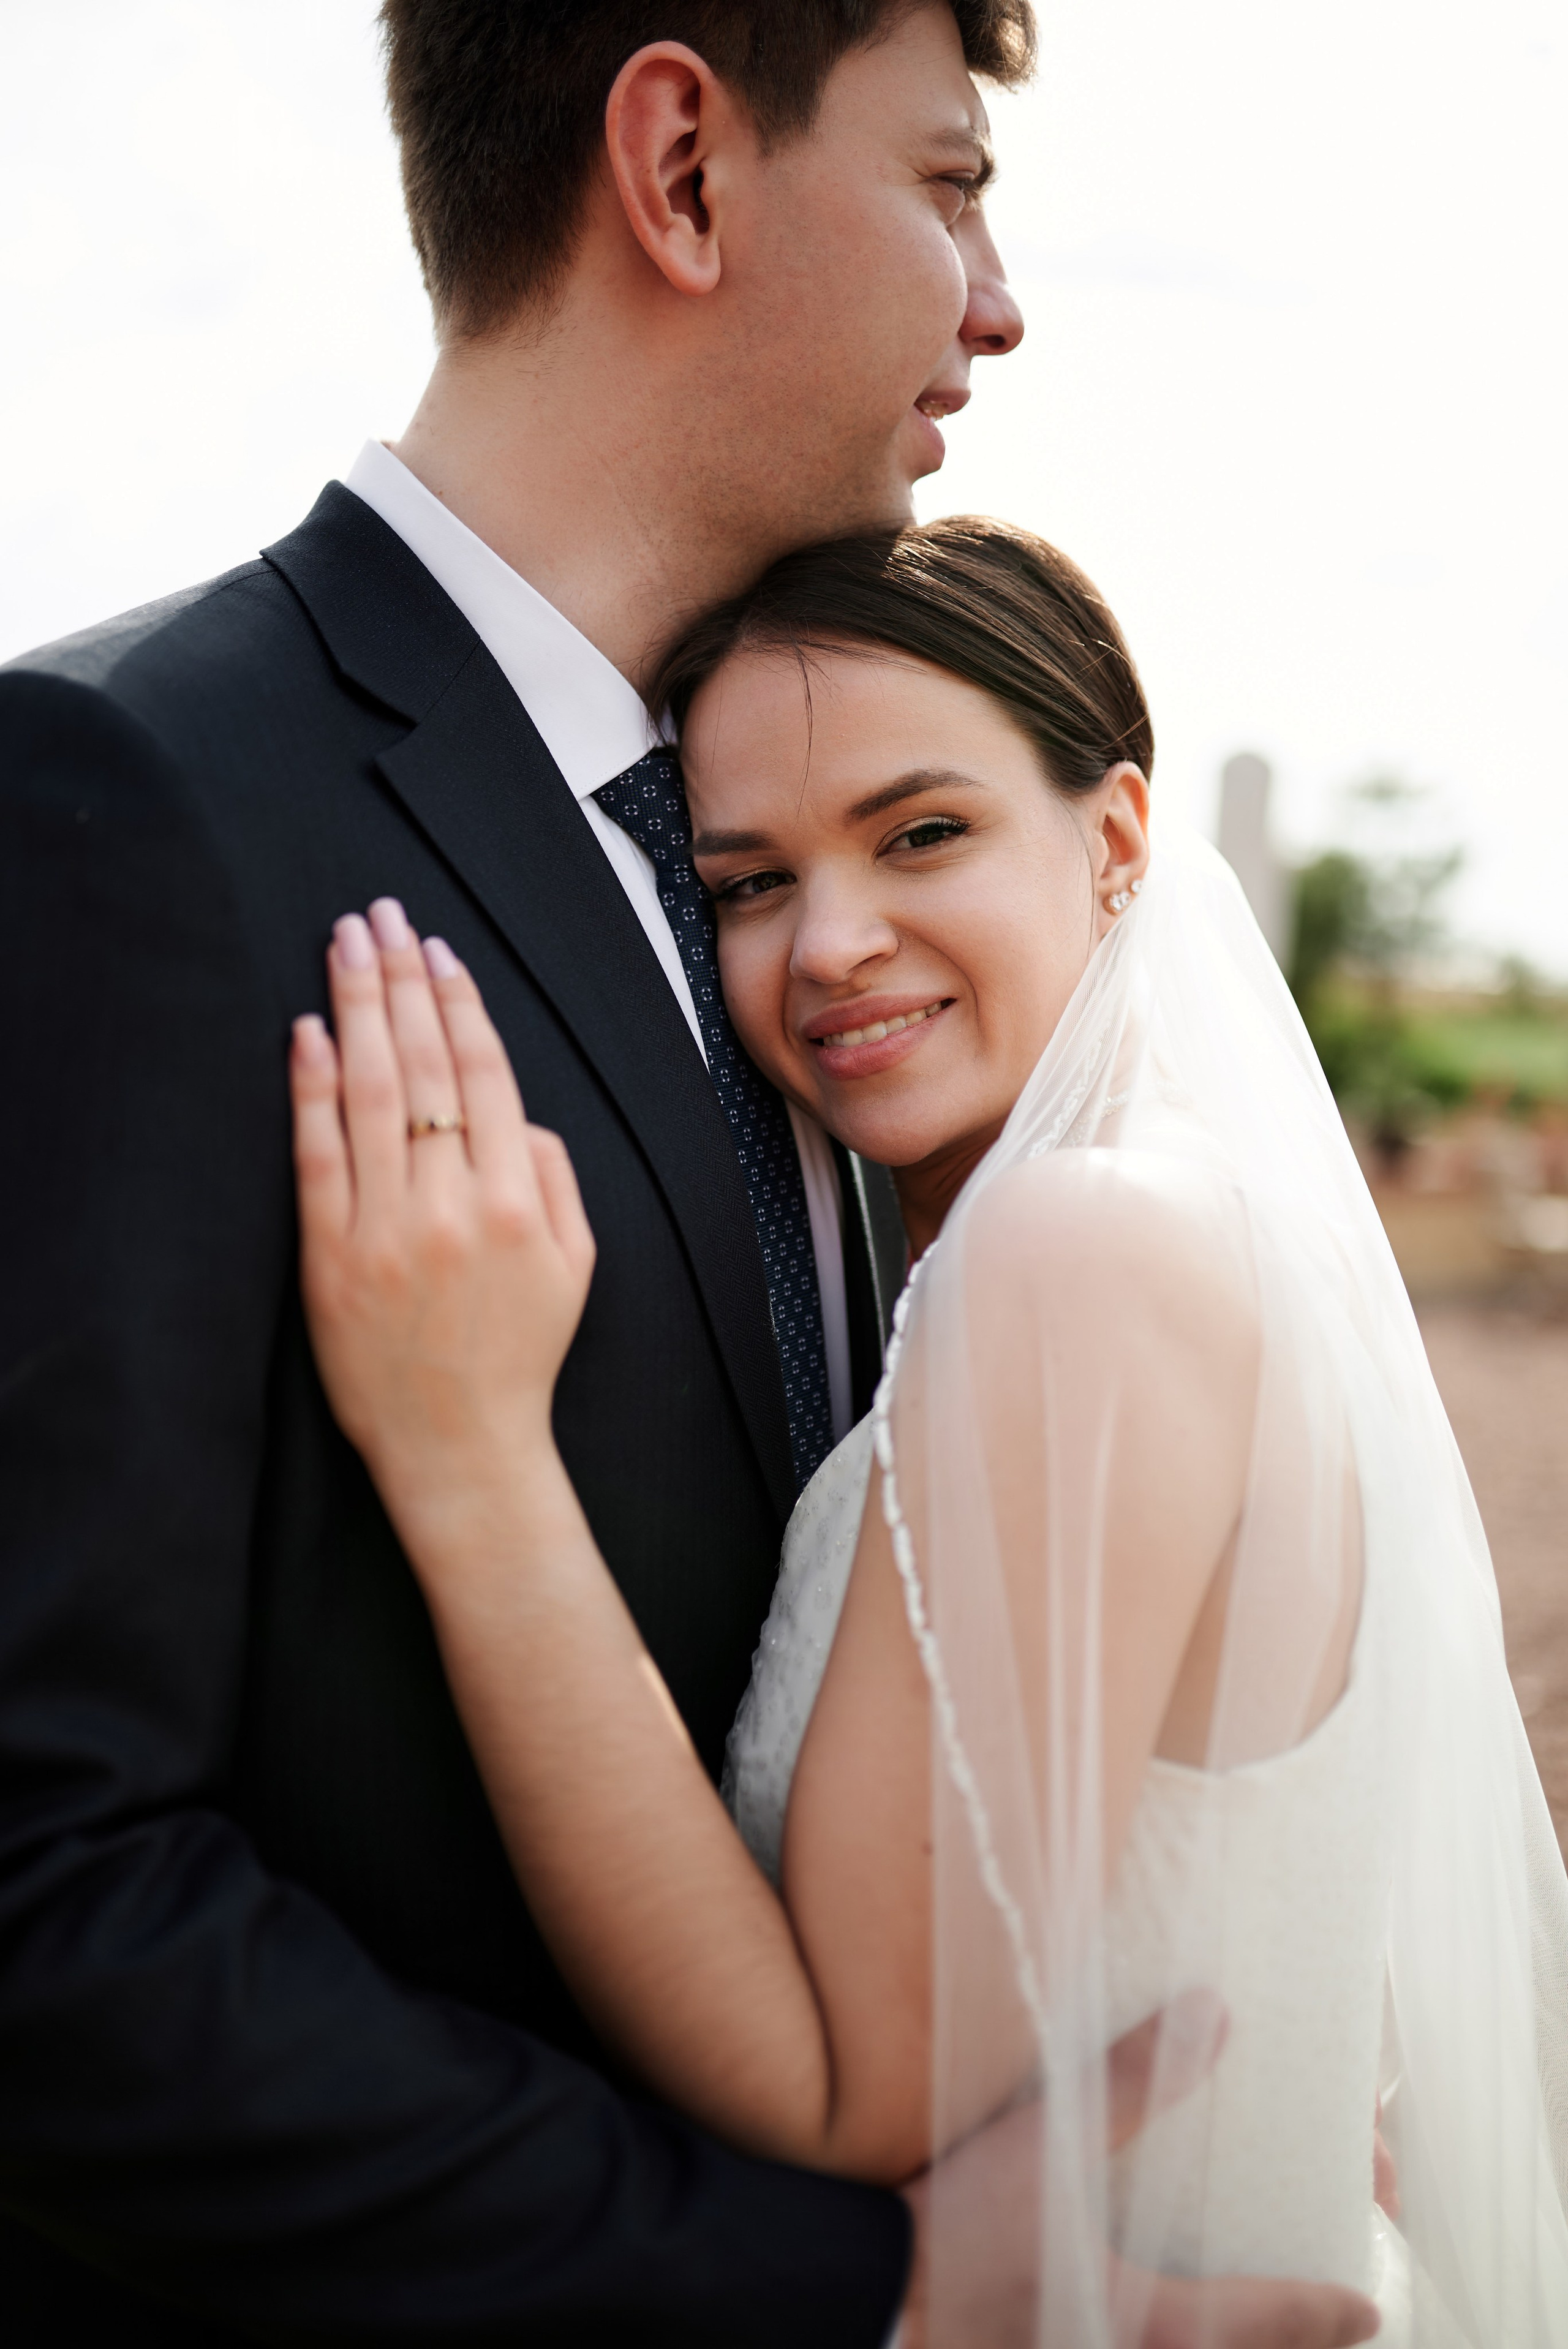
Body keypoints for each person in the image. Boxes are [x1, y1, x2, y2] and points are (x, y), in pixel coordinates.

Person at [0, 1, 1377, 2340]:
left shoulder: (844, 950)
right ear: (685, 167)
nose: (1003, 294)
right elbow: (45, 1889)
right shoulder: (123, 808)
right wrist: (851, 2287)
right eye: (951, 184)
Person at [289, 520, 1568, 2343]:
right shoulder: (1151, 1233)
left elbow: (847, 2091)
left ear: (1118, 839)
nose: (830, 941)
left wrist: (469, 1456)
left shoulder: (1087, 1250)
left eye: (922, 833)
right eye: (745, 881)